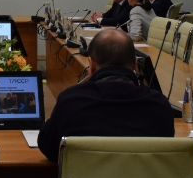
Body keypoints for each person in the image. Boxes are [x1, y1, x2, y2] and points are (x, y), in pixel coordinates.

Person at [37, 28, 174, 162]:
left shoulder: (71, 101)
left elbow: (49, 148)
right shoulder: (159, 105)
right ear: (135, 65)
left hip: (87, 177)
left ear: (91, 65)